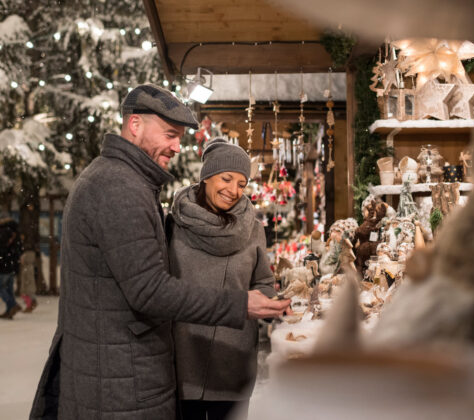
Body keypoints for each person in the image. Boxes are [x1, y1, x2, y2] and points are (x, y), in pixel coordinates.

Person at [30, 84, 291, 420]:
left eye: (179, 137)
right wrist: (240, 303)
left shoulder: (125, 180)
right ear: (135, 125)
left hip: (118, 370)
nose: (176, 146)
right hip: (120, 380)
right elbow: (149, 290)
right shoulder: (118, 188)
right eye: (170, 134)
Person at [168, 138, 278, 420]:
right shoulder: (174, 224)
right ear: (206, 177)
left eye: (241, 184)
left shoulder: (252, 229)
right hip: (183, 359)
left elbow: (263, 282)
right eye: (226, 179)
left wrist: (271, 304)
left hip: (232, 359)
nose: (233, 190)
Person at [0, 217, 23, 319]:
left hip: (3, 264)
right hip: (13, 265)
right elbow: (20, 249)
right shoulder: (16, 232)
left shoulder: (3, 231)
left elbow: (1, 248)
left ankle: (13, 305)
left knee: (1, 288)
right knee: (9, 289)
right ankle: (9, 311)